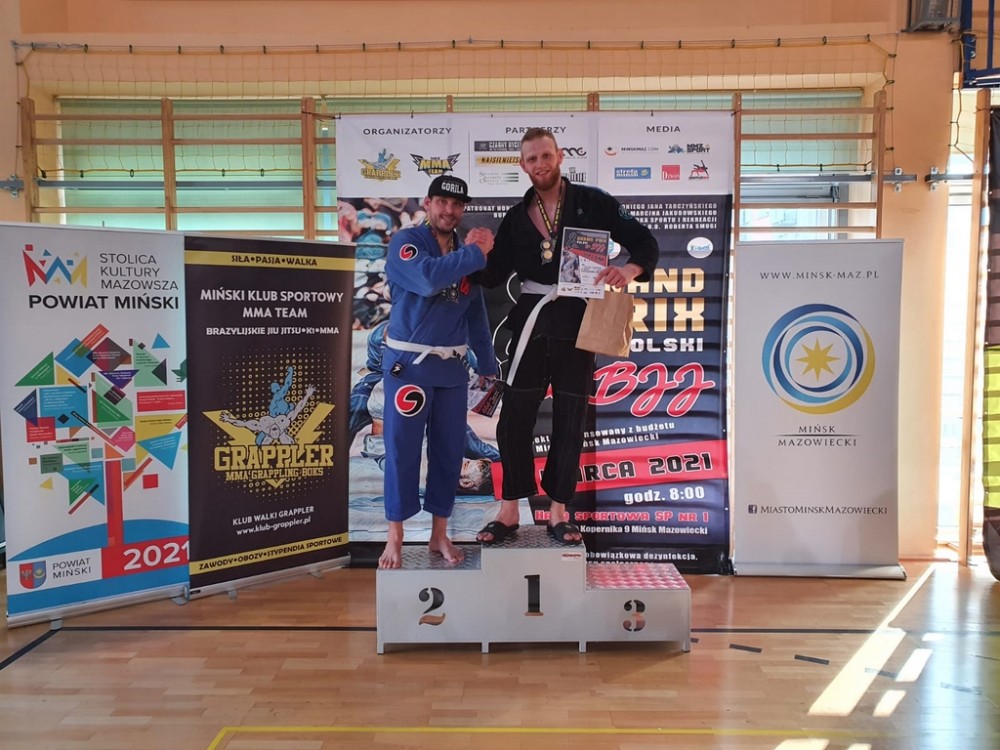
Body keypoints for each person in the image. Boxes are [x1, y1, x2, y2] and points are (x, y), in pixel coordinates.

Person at [474, 127, 660, 545]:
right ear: (523, 166)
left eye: (546, 155)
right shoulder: (516, 218)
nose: (540, 164)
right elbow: (492, 275)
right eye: (532, 159)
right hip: (533, 322)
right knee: (514, 417)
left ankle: (558, 511)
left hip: (579, 323)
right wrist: (474, 253)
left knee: (570, 418)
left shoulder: (594, 202)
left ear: (559, 156)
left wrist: (629, 270)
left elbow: (645, 242)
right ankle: (509, 510)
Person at [378, 174, 498, 569]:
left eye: (457, 204)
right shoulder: (407, 242)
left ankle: (439, 534)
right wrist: (477, 253)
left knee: (449, 452)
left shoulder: (465, 252)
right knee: (402, 450)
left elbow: (475, 312)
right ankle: (394, 536)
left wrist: (487, 362)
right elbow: (428, 279)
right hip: (409, 368)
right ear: (428, 203)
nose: (449, 210)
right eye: (442, 202)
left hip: (451, 370)